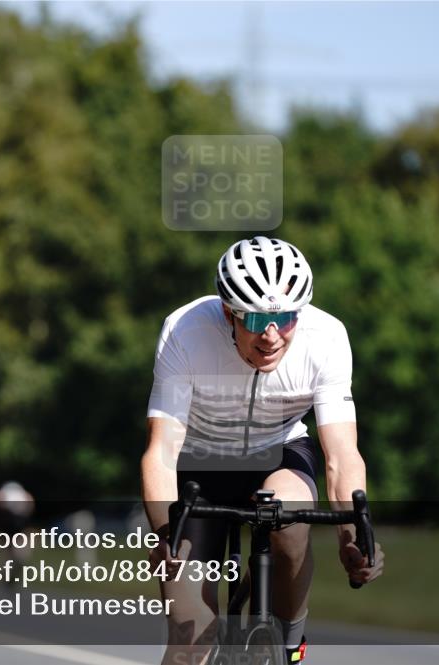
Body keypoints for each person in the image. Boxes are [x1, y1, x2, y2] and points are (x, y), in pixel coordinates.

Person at [141, 236, 385, 664]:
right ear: (228, 313)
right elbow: (161, 451)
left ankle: (290, 644)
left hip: (280, 451)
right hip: (201, 461)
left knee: (288, 516)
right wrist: (166, 533)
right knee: (188, 642)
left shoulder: (326, 336)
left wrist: (353, 537)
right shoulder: (185, 330)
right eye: (255, 321)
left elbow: (342, 456)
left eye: (287, 318)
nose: (272, 336)